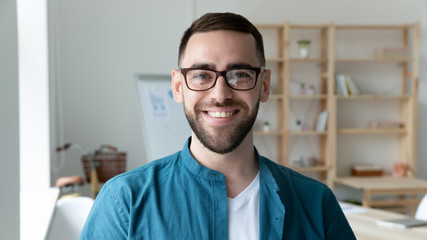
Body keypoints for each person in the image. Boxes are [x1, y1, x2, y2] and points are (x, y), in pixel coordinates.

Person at [80, 12, 356, 239]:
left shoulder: (316, 203)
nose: (220, 94)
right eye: (201, 75)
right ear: (178, 87)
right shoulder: (125, 202)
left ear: (265, 85)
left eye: (240, 74)